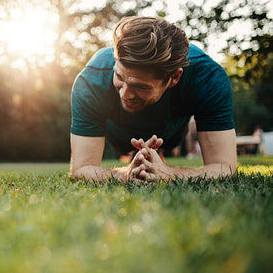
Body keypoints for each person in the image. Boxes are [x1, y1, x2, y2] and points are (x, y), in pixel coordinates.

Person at [70, 16, 236, 182]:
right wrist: (125, 174)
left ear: (174, 77)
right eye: (119, 76)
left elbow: (225, 167)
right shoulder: (91, 80)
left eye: (141, 86)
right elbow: (81, 169)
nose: (124, 95)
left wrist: (168, 173)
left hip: (170, 135)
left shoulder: (208, 77)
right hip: (119, 135)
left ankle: (156, 155)